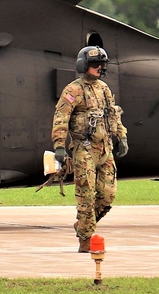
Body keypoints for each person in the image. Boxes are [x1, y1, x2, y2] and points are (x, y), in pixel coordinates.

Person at [52, 46, 128, 252]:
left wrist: (121, 136)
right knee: (86, 195)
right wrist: (59, 145)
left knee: (107, 195)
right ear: (84, 66)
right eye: (95, 65)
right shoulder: (73, 90)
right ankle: (86, 239)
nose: (100, 68)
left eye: (102, 65)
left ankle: (84, 224)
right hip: (83, 149)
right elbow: (61, 118)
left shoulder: (104, 89)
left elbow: (113, 114)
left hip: (104, 149)